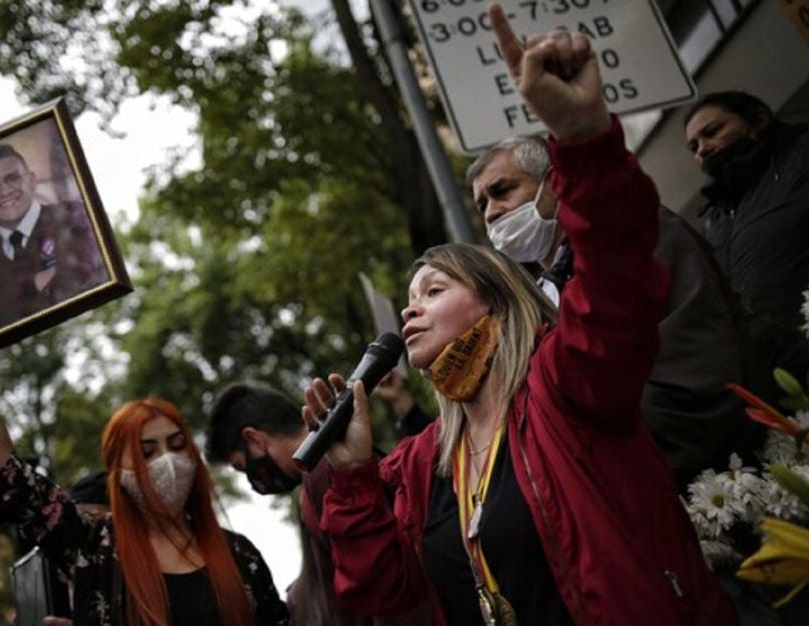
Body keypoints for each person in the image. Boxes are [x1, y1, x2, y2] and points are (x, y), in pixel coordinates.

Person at [301, 5, 735, 625]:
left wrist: (584, 138)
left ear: (497, 302)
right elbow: (386, 599)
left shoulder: (567, 388)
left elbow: (616, 272)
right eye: (409, 297)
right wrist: (352, 481)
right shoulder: (423, 461)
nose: (409, 309)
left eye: (432, 290)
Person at [0, 304, 289, 626]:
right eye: (147, 451)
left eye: (177, 446)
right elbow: (11, 477)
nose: (169, 461)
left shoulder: (240, 555)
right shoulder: (93, 546)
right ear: (120, 471)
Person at [466, 136, 761, 488]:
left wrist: (606, 467)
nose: (491, 213)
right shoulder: (535, 301)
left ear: (554, 182)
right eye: (481, 205)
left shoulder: (635, 237)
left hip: (713, 478)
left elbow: (694, 364)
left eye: (502, 191)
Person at [206, 382, 433, 626]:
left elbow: (384, 584)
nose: (254, 481)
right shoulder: (324, 475)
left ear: (255, 439)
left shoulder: (330, 475)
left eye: (243, 466)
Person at [684, 91, 809, 383]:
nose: (702, 149)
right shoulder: (716, 218)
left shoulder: (802, 155)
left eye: (712, 132)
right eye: (693, 146)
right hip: (782, 382)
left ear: (757, 120)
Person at [0, 143, 109, 335]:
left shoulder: (72, 215)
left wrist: (1, 299)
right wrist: (39, 282)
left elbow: (84, 276)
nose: (4, 191)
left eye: (12, 178)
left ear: (32, 181)